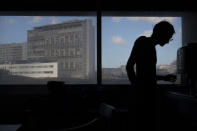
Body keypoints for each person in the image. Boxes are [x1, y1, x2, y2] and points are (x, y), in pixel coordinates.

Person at [126, 20, 176, 131]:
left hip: (145, 95)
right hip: (144, 96)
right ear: (162, 34)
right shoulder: (144, 42)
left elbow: (145, 75)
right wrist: (137, 89)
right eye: (169, 37)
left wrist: (164, 78)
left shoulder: (144, 43)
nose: (168, 41)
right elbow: (129, 67)